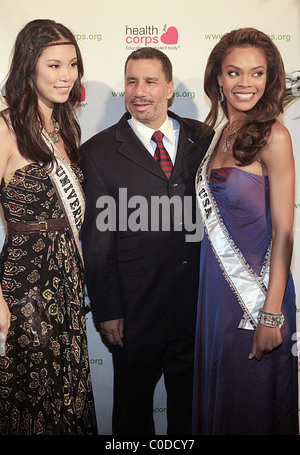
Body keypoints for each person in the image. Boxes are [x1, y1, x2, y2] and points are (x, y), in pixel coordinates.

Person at [80, 47, 212, 435]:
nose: (139, 91)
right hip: (135, 313)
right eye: (131, 81)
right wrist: (107, 309)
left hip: (197, 305)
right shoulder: (98, 151)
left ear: (169, 88)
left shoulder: (204, 137)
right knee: (132, 417)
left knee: (190, 414)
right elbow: (98, 241)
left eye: (150, 81)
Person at [193, 28, 298, 435]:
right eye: (234, 73)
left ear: (270, 79)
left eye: (257, 74)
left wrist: (270, 314)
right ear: (218, 77)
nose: (245, 84)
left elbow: (285, 231)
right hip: (216, 293)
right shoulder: (217, 135)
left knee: (251, 402)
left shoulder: (275, 136)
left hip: (257, 295)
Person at [0, 19, 97, 435]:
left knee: (67, 393)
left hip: (67, 283)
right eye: (54, 65)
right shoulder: (5, 128)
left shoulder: (65, 127)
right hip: (24, 286)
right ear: (29, 69)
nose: (66, 75)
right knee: (35, 396)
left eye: (72, 64)